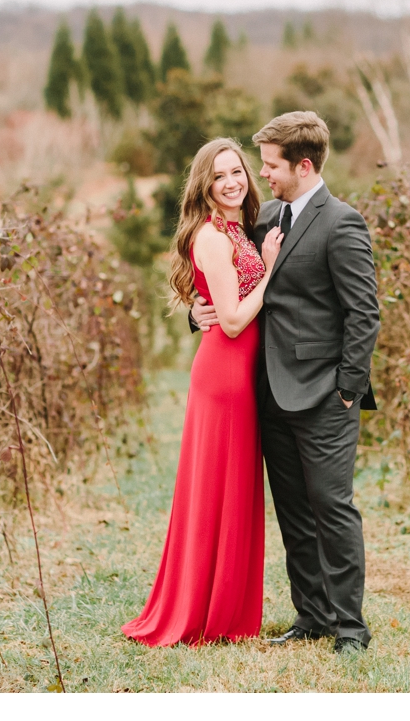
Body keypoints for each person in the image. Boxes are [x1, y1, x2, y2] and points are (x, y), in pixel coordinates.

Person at [190, 111, 381, 655]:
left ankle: (350, 627)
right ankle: (312, 616)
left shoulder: (341, 222)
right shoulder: (268, 216)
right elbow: (235, 278)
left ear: (303, 164)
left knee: (331, 507)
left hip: (325, 395)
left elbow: (363, 314)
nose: (261, 175)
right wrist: (196, 313)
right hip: (267, 392)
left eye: (270, 165)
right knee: (294, 510)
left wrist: (347, 389)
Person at [121, 138, 283, 646]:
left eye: (238, 171)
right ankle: (201, 609)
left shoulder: (241, 226)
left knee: (233, 491)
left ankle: (225, 605)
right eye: (220, 176)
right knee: (217, 491)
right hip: (225, 376)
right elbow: (232, 321)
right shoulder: (214, 237)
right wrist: (272, 270)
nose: (232, 182)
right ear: (204, 186)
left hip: (242, 373)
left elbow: (219, 300)